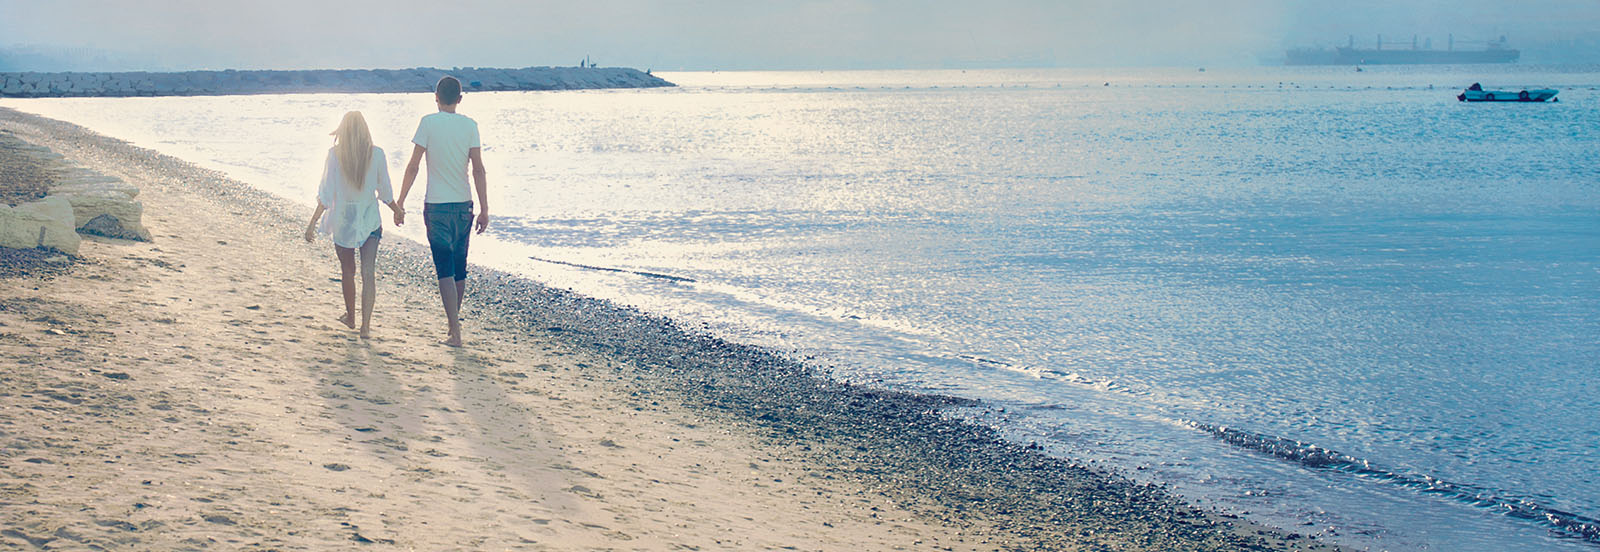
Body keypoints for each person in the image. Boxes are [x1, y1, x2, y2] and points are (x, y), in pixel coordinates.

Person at [394, 76, 489, 347]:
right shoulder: (470, 126)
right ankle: (452, 328)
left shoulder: (428, 123)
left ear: (436, 96)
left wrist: (400, 201)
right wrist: (484, 209)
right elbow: (479, 169)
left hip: (436, 206)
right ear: (460, 99)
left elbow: (413, 166)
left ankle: (455, 332)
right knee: (459, 269)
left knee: (444, 269)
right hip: (464, 205)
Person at [303, 111, 400, 339]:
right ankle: (365, 327)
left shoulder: (334, 155)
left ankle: (350, 317)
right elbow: (385, 191)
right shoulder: (377, 154)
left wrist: (312, 223)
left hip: (344, 221)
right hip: (370, 221)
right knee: (368, 273)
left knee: (348, 271)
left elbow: (325, 194)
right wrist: (397, 211)